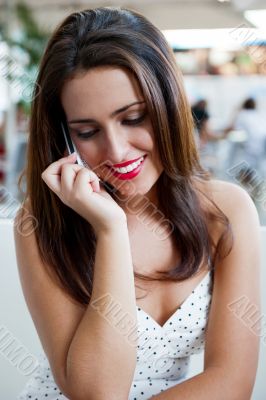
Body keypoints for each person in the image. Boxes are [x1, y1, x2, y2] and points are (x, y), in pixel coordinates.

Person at [14, 7, 261, 400]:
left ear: (169, 106)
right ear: (65, 137)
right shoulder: (41, 222)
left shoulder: (226, 212)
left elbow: (232, 383)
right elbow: (97, 392)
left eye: (133, 118)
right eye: (87, 131)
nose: (116, 150)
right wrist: (110, 231)